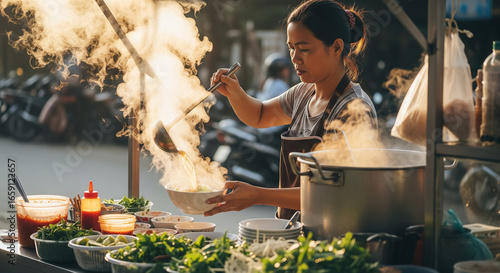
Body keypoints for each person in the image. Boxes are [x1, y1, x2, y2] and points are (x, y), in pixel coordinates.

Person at [205, 0, 377, 218]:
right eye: (291, 48)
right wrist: (235, 92)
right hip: (294, 231)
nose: (294, 59)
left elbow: (339, 191)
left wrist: (258, 195)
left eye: (304, 49)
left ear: (336, 47)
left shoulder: (353, 110)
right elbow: (259, 116)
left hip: (331, 239)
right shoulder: (302, 93)